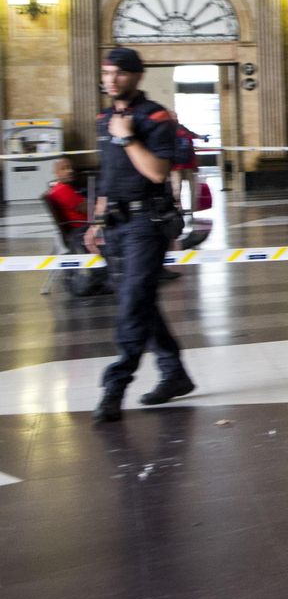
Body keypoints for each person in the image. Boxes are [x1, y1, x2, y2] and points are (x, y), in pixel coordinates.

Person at [87, 47, 194, 422]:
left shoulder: (154, 117)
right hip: (115, 224)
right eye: (107, 73)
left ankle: (115, 386)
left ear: (136, 76)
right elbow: (108, 174)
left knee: (132, 302)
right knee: (141, 301)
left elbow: (157, 173)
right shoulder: (104, 118)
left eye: (119, 73)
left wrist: (127, 138)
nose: (111, 80)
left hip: (145, 224)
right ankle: (174, 374)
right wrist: (97, 219)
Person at [43, 156, 89, 243]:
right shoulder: (63, 190)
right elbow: (90, 211)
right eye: (64, 168)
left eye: (70, 167)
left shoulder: (60, 188)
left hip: (81, 227)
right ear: (56, 172)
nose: (70, 171)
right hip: (84, 228)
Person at [169, 121, 200, 213]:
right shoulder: (177, 130)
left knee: (178, 189)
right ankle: (182, 208)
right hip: (179, 166)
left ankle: (181, 208)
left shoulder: (180, 128)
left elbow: (193, 135)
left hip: (182, 165)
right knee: (178, 189)